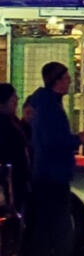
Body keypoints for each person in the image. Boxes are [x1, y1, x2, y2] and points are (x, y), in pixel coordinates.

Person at [24, 62, 84, 256]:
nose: (70, 81)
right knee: (59, 226)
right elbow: (54, 140)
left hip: (45, 173)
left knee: (46, 225)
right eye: (66, 77)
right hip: (53, 174)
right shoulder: (50, 106)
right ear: (58, 80)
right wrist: (77, 139)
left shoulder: (41, 101)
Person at [0, 83, 31, 213]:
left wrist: (25, 121)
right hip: (10, 181)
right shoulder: (4, 122)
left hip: (18, 179)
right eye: (13, 97)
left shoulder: (12, 120)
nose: (17, 100)